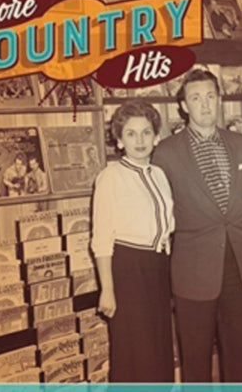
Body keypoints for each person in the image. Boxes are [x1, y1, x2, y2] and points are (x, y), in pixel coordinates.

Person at [153, 69, 242, 382]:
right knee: (196, 359)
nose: (205, 104)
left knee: (239, 355)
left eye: (211, 96)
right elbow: (155, 207)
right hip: (193, 270)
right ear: (184, 106)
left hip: (239, 265)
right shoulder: (166, 152)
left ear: (219, 99)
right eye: (196, 98)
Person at [91, 100, 175, 382]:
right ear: (119, 140)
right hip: (128, 270)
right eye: (131, 133)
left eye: (146, 132)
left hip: (158, 268)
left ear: (156, 137)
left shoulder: (159, 174)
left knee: (158, 349)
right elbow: (102, 238)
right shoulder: (110, 177)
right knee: (135, 352)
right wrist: (107, 289)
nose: (140, 140)